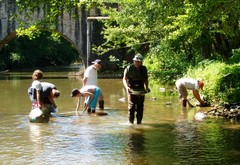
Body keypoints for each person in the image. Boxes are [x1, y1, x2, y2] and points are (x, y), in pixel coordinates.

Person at [122, 53, 150, 124]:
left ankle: (139, 123)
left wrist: (147, 87)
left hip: (141, 88)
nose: (137, 63)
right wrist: (127, 87)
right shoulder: (129, 68)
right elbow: (124, 79)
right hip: (131, 88)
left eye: (139, 62)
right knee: (132, 107)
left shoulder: (144, 68)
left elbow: (145, 79)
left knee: (140, 107)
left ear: (141, 62)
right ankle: (130, 123)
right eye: (136, 61)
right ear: (133, 61)